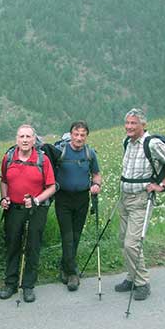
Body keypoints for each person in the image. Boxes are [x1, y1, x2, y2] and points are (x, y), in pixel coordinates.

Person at [116, 108, 165, 300]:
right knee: (123, 240)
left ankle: (142, 282)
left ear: (143, 125)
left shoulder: (152, 143)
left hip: (141, 199)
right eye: (127, 123)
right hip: (125, 198)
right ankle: (131, 276)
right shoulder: (127, 142)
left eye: (133, 123)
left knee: (132, 243)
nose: (128, 126)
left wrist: (161, 185)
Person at [0, 125, 57, 303]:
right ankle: (10, 283)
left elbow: (52, 187)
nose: (25, 140)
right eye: (21, 136)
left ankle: (28, 286)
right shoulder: (8, 157)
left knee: (32, 246)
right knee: (13, 245)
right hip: (14, 208)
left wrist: (37, 200)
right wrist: (4, 197)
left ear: (34, 140)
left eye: (28, 137)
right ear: (17, 139)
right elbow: (3, 181)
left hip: (36, 209)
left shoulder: (43, 159)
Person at [54, 121, 102, 291]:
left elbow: (96, 174)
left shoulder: (90, 153)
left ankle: (64, 267)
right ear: (71, 135)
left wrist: (96, 185)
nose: (79, 138)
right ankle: (72, 273)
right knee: (67, 236)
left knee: (75, 235)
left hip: (82, 198)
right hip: (63, 199)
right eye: (76, 134)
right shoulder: (61, 151)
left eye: (82, 135)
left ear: (86, 136)